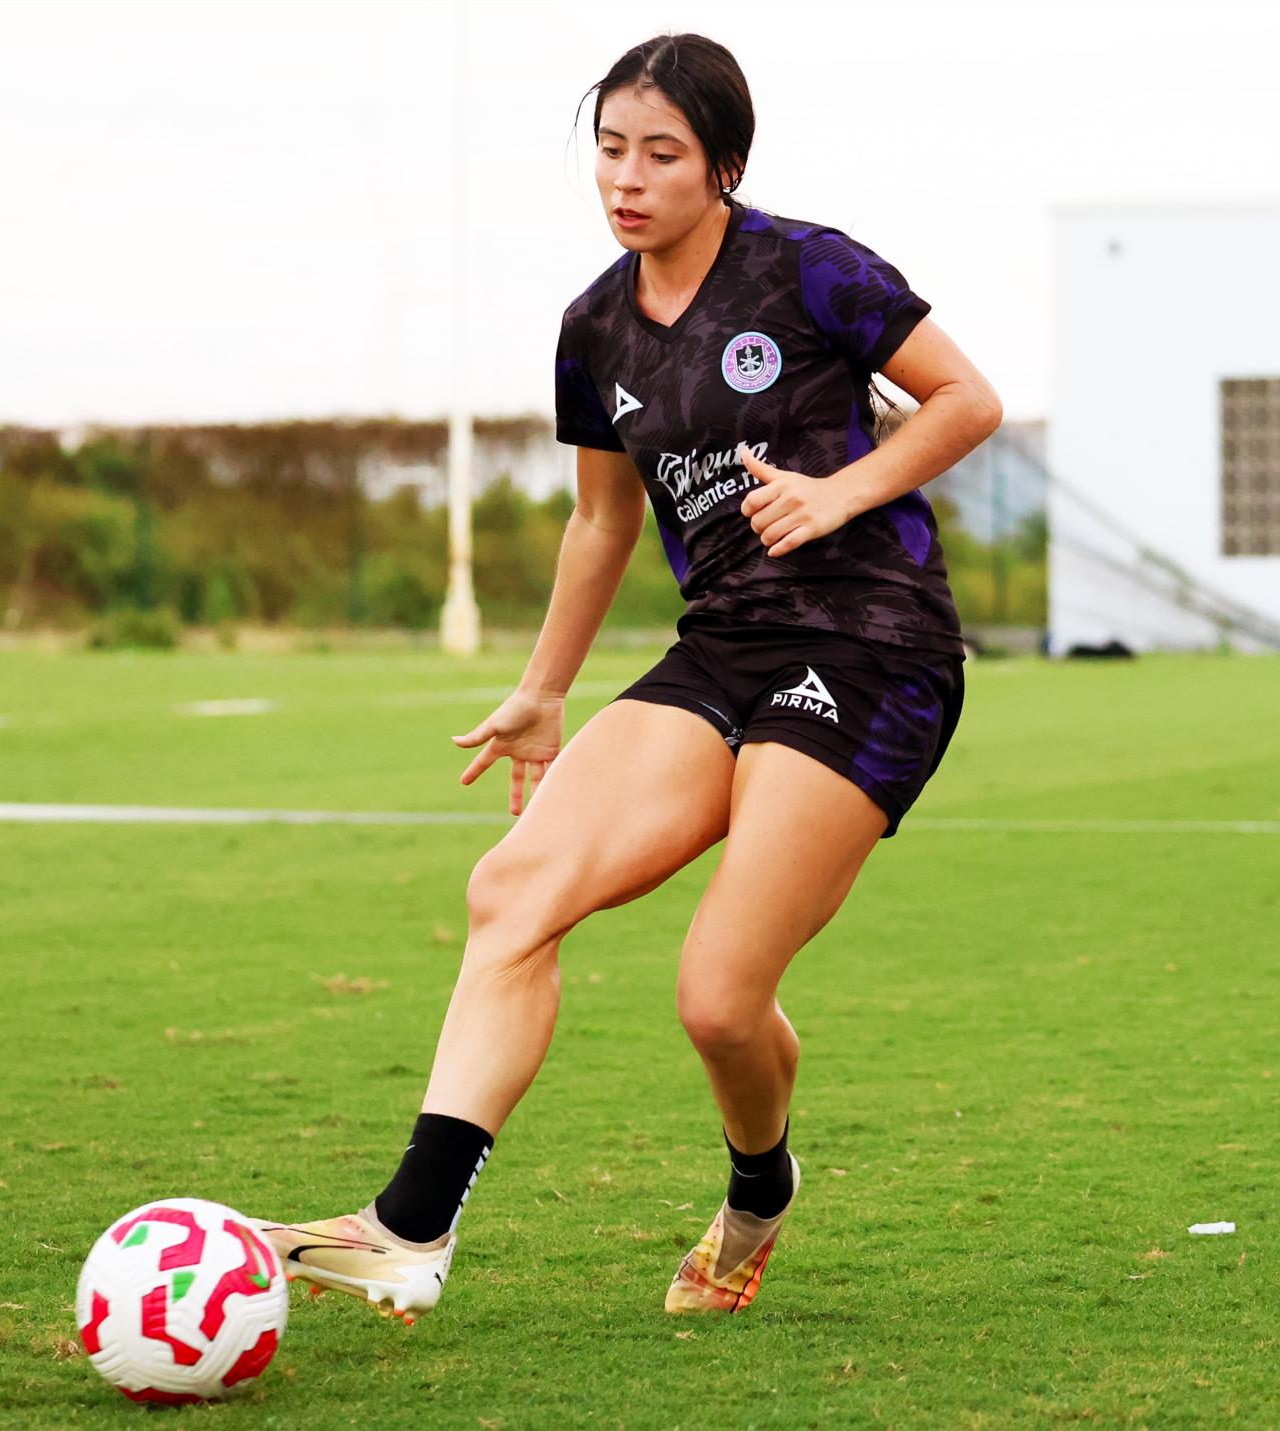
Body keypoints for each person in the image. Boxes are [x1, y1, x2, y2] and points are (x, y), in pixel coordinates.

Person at [251, 32, 1001, 1321]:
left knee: (717, 998)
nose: (628, 178)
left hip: (872, 644)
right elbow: (602, 521)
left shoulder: (809, 268)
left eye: (662, 153)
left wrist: (837, 495)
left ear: (724, 166)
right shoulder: (593, 326)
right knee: (512, 888)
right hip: (722, 646)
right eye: (610, 149)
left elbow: (964, 400)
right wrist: (544, 689)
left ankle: (758, 1189)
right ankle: (409, 1228)